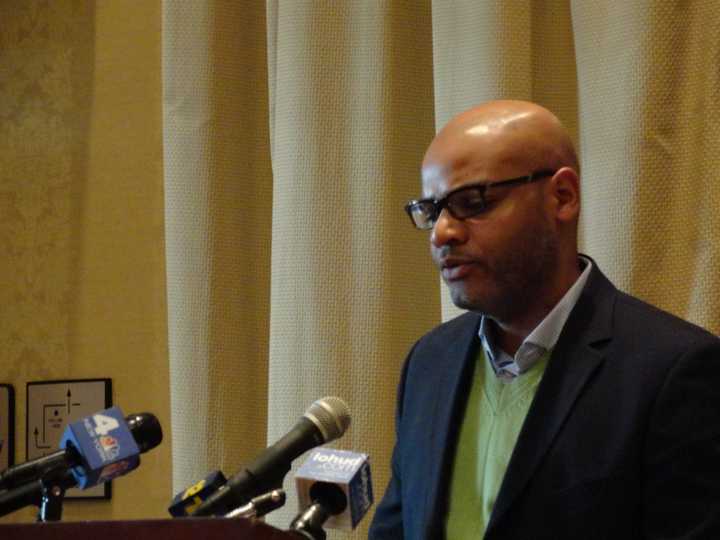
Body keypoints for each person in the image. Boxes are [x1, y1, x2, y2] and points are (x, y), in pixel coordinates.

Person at [368, 100, 720, 539]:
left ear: (562, 197)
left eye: (473, 202)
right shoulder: (429, 363)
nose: (443, 232)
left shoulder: (674, 371)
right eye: (433, 210)